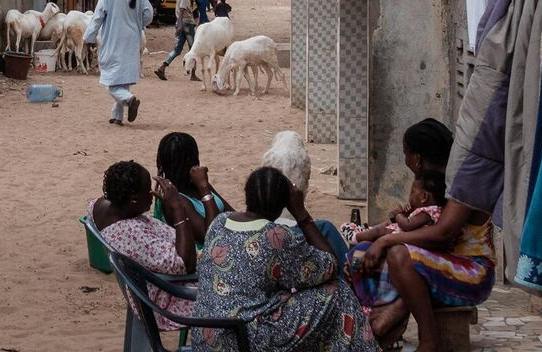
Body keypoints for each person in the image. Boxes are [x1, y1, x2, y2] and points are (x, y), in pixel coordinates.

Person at [186, 168, 378, 352]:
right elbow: (330, 265)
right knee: (338, 292)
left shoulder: (219, 222)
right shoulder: (276, 236)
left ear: (247, 195)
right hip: (243, 340)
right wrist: (301, 213)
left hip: (205, 336)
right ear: (284, 204)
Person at [346, 119, 494, 352]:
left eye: (405, 155)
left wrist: (385, 239)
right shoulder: (434, 187)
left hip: (473, 272)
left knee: (398, 254)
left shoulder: (461, 180)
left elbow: (442, 234)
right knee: (361, 254)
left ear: (416, 158)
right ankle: (377, 315)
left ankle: (428, 340)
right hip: (443, 264)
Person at [91, 160, 204, 330]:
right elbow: (186, 265)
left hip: (157, 284)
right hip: (170, 298)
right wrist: (178, 209)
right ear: (134, 199)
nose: (152, 193)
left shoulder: (102, 206)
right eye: (147, 190)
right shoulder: (130, 234)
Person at [87, 0, 153, 125]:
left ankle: (129, 100)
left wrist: (89, 37)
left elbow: (98, 16)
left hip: (113, 39)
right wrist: (137, 24)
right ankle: (117, 116)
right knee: (122, 78)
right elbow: (148, 15)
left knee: (110, 79)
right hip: (132, 40)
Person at [153, 132, 227, 235]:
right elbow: (212, 235)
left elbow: (231, 213)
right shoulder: (174, 199)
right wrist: (204, 188)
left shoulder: (196, 184)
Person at [347, 169, 445, 245]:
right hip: (406, 234)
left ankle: (355, 237)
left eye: (412, 192)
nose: (409, 197)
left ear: (424, 197)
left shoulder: (427, 212)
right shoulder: (430, 211)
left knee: (380, 230)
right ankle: (364, 231)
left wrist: (399, 214)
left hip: (402, 236)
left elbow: (407, 225)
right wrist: (409, 213)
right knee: (385, 224)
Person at [156, 0, 199, 81]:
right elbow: (182, 12)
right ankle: (193, 74)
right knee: (193, 49)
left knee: (177, 49)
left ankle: (163, 66)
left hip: (183, 25)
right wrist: (179, 25)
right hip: (187, 25)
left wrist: (179, 25)